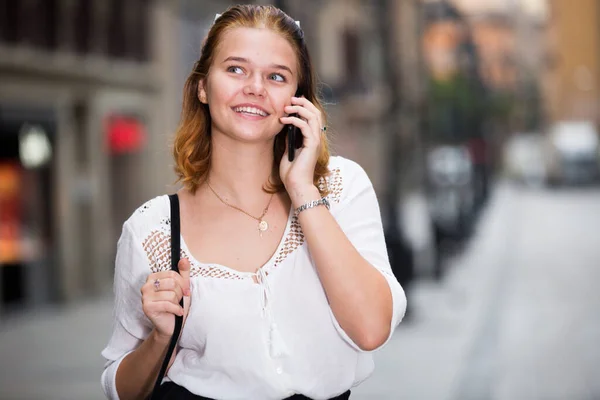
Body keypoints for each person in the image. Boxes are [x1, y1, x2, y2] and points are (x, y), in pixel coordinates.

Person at [101, 5, 406, 400]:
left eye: (276, 76)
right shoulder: (152, 230)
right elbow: (120, 389)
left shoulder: (341, 189)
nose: (255, 88)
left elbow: (370, 329)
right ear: (203, 87)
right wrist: (160, 339)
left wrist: (303, 190)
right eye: (235, 69)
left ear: (297, 99)